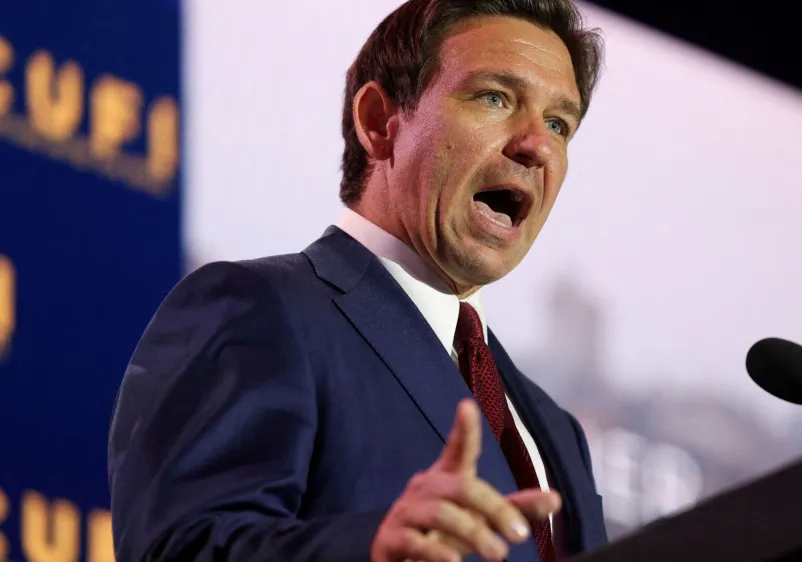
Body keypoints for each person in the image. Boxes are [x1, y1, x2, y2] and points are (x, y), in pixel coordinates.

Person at [107, 0, 606, 560]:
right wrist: (370, 549)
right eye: (494, 97)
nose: (537, 145)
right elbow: (179, 549)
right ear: (378, 122)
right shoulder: (261, 311)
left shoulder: (558, 434)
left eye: (559, 124)